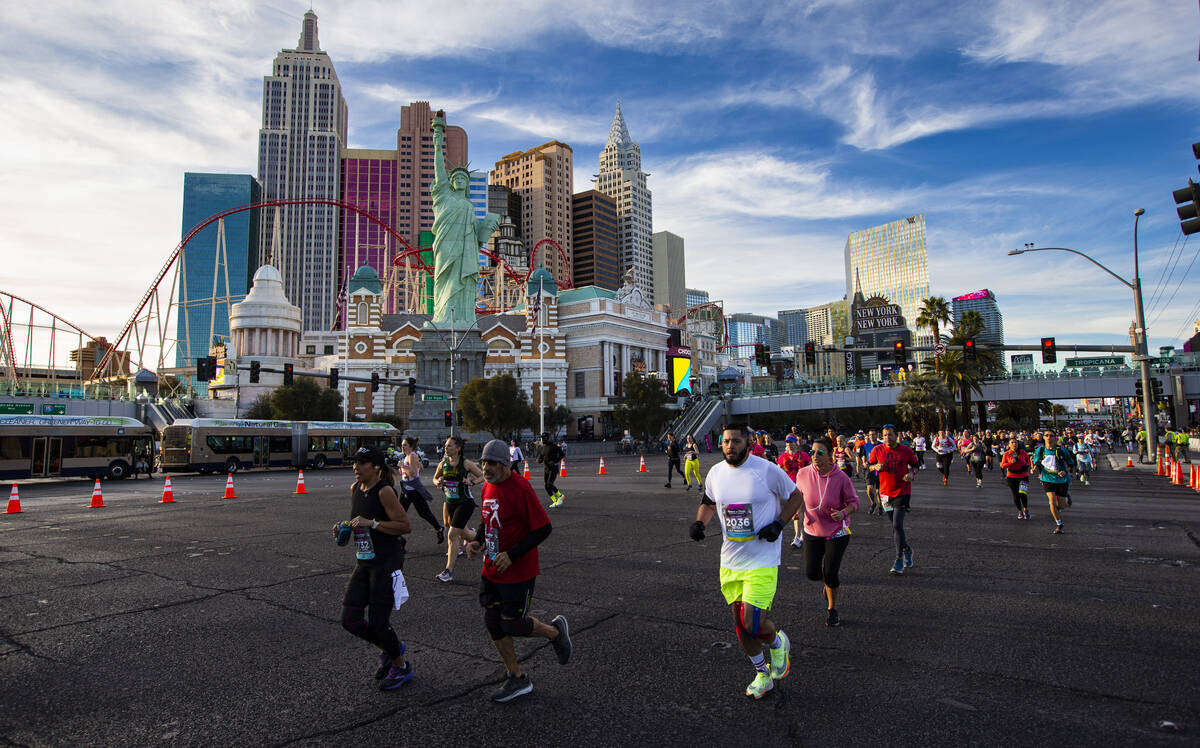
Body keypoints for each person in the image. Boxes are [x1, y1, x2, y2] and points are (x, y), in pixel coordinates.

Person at [689, 423, 805, 699]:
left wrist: (779, 524)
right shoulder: (716, 473)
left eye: (736, 441)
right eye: (727, 441)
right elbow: (708, 502)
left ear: (748, 443)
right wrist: (699, 523)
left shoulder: (766, 470)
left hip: (762, 559)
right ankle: (762, 673)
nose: (731, 446)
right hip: (730, 561)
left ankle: (778, 643)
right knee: (741, 625)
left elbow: (796, 496)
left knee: (753, 622)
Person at [465, 440, 572, 703]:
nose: (486, 468)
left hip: (519, 571)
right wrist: (478, 540)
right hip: (491, 568)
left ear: (505, 465)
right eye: (483, 463)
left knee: (511, 623)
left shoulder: (521, 488)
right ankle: (516, 677)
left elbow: (543, 528)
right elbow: (487, 519)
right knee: (493, 622)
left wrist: (512, 555)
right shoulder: (488, 486)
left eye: (492, 464)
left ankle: (555, 632)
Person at [334, 446, 414, 691]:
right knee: (350, 619)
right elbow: (359, 521)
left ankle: (400, 666)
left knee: (379, 622)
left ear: (376, 467)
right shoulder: (355, 489)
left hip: (386, 561)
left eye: (362, 463)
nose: (356, 467)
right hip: (364, 561)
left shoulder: (385, 491)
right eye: (355, 463)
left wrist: (374, 523)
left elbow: (404, 526)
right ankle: (390, 649)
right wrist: (343, 527)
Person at [796, 437, 858, 626]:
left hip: (837, 531)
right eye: (813, 452)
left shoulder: (841, 478)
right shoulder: (803, 473)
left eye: (820, 452)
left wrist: (843, 512)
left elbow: (854, 502)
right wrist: (796, 512)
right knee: (812, 573)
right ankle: (829, 584)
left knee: (831, 572)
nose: (815, 456)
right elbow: (798, 496)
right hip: (812, 529)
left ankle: (832, 609)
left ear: (830, 455)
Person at [868, 425, 919, 575]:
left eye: (890, 435)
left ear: (896, 435)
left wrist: (911, 474)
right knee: (895, 526)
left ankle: (898, 560)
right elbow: (869, 465)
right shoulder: (877, 450)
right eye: (884, 436)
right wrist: (875, 467)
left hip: (902, 491)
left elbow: (916, 465)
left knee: (897, 524)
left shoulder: (905, 450)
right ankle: (907, 549)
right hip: (885, 493)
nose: (887, 438)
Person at [432, 436, 484, 583]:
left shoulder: (466, 463)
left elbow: (483, 476)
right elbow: (435, 478)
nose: (446, 448)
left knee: (452, 534)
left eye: (449, 446)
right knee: (465, 533)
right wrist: (439, 482)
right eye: (445, 445)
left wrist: (471, 482)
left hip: (465, 503)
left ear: (458, 448)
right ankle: (484, 542)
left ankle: (448, 571)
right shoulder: (443, 463)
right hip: (450, 503)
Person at [398, 437, 445, 545]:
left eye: (405, 445)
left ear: (411, 446)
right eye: (402, 445)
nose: (402, 447)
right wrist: (410, 466)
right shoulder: (409, 456)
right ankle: (398, 538)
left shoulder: (412, 456)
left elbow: (413, 474)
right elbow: (421, 468)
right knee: (400, 513)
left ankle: (439, 529)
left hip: (414, 490)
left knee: (423, 513)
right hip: (407, 489)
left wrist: (402, 467)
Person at [1032, 432, 1075, 535]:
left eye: (1051, 435)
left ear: (1055, 438)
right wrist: (1034, 469)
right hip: (1047, 478)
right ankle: (1059, 524)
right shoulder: (1040, 450)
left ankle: (1066, 498)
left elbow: (1071, 463)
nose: (1048, 437)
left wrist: (1065, 471)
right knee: (1051, 501)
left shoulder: (1061, 450)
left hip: (1061, 480)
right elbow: (1036, 462)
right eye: (1046, 435)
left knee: (1062, 505)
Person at [776, 435, 812, 549]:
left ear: (795, 443)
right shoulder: (783, 456)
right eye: (787, 442)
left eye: (791, 442)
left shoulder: (803, 455)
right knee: (796, 512)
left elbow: (811, 468)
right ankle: (801, 534)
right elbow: (777, 471)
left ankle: (797, 536)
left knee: (798, 510)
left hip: (802, 484)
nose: (789, 444)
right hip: (789, 486)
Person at [1000, 438, 1032, 520]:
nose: (1014, 444)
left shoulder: (1023, 452)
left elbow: (1028, 462)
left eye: (1016, 442)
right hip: (1012, 477)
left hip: (1023, 476)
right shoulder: (1007, 454)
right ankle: (1020, 511)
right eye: (1012, 442)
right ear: (1009, 445)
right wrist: (1011, 462)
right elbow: (1003, 466)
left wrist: (1020, 459)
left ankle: (1026, 510)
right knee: (1016, 495)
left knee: (1023, 493)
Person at [537, 433, 566, 507]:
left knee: (550, 484)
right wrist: (539, 460)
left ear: (548, 438)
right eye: (542, 438)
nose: (543, 439)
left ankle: (560, 496)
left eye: (544, 437)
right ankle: (555, 501)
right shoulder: (542, 448)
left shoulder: (553, 446)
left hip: (553, 468)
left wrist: (555, 461)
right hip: (546, 468)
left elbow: (562, 454)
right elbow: (540, 458)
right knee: (546, 486)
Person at [858, 429, 882, 515]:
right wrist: (864, 462)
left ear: (877, 435)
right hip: (869, 469)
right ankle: (873, 503)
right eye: (870, 435)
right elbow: (863, 456)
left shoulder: (881, 445)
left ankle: (880, 506)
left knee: (879, 491)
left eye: (873, 434)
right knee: (870, 488)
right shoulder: (865, 446)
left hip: (879, 470)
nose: (872, 436)